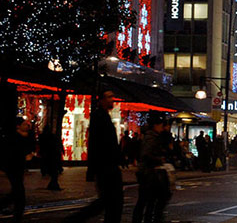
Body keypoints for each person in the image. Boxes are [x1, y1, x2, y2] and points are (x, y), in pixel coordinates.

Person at [63, 90, 123, 223]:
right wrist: (93, 168)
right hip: (106, 166)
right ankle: (74, 219)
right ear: (101, 100)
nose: (112, 99)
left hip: (108, 165)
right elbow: (95, 142)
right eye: (108, 97)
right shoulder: (99, 116)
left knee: (110, 202)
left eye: (112, 96)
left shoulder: (104, 116)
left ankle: (74, 219)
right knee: (110, 201)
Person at [0, 117, 34, 223]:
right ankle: (17, 211)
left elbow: (28, 147)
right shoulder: (12, 138)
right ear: (18, 126)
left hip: (19, 166)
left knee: (16, 190)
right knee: (19, 190)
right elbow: (12, 153)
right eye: (24, 124)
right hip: (13, 167)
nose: (26, 125)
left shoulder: (25, 137)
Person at [133, 114, 172, 223]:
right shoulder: (152, 137)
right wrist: (159, 159)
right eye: (161, 125)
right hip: (148, 173)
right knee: (148, 200)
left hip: (148, 172)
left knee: (148, 200)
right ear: (155, 125)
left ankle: (146, 219)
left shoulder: (153, 136)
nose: (162, 127)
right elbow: (146, 154)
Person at [38, 124, 63, 190]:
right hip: (52, 154)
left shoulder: (42, 136)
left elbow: (41, 145)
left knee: (46, 164)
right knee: (53, 169)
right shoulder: (53, 136)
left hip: (46, 153)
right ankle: (53, 183)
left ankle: (46, 173)